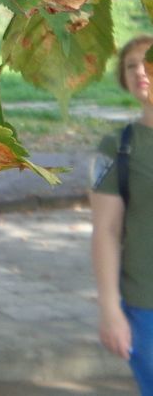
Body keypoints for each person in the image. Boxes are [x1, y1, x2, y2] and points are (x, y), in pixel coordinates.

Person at [93, 34, 153, 395]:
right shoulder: (117, 147)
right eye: (131, 65)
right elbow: (106, 231)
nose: (140, 71)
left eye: (148, 61)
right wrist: (110, 310)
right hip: (146, 308)